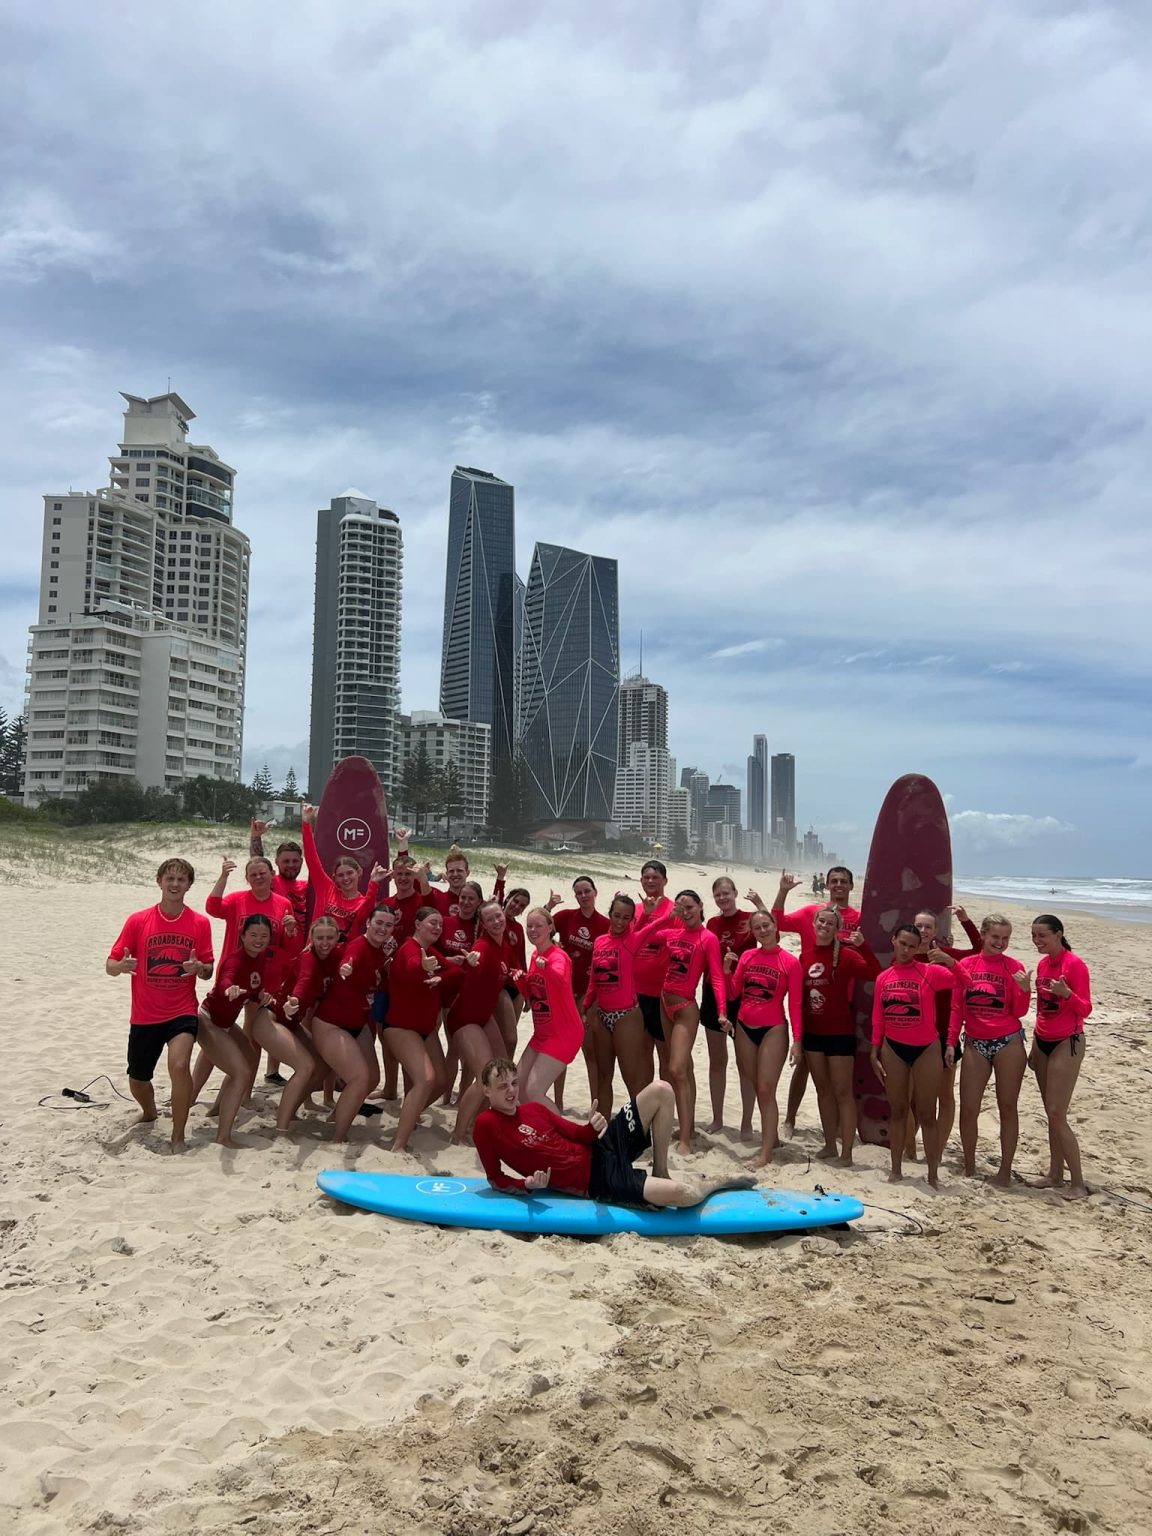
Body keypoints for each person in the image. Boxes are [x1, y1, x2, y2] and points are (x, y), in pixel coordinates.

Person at [474, 1059, 756, 1209]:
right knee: (687, 1195)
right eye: (502, 1087)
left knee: (662, 1090)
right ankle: (718, 1182)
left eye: (514, 1083)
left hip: (603, 1147)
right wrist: (528, 1186)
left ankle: (661, 1170)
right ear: (486, 1090)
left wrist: (593, 1126)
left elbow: (580, 1135)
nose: (511, 1091)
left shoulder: (535, 1109)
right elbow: (495, 1179)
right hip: (599, 1180)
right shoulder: (486, 1125)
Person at [106, 857, 215, 1151]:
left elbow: (208, 969)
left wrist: (199, 969)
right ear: (159, 882)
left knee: (179, 1066)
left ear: (189, 885)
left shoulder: (199, 923)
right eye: (170, 879)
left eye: (181, 880)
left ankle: (178, 1135)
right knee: (138, 1080)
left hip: (181, 1010)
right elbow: (110, 964)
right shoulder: (138, 920)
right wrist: (121, 966)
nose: (175, 884)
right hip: (144, 1014)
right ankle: (150, 1111)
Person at [774, 866, 861, 1135]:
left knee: (841, 1072)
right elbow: (779, 921)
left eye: (843, 881)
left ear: (851, 886)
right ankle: (789, 1119)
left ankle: (836, 1127)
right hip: (810, 998)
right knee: (804, 1066)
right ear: (826, 884)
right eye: (833, 881)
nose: (838, 885)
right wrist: (783, 892)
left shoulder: (860, 918)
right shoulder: (813, 914)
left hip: (847, 1003)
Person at [946, 915, 1032, 1187]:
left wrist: (1024, 990)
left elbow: (1019, 1011)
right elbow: (956, 1008)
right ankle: (969, 1165)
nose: (1001, 943)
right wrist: (951, 1042)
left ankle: (1004, 1172)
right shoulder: (966, 965)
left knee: (1007, 1107)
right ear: (983, 935)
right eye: (995, 937)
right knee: (969, 1108)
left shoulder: (1014, 967)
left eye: (1005, 938)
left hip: (1008, 1042)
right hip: (974, 1042)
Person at [642, 890, 728, 1153]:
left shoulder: (708, 938)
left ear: (700, 906)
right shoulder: (672, 934)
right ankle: (685, 1127)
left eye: (690, 906)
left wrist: (722, 1011)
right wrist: (658, 915)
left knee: (677, 1069)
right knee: (680, 1070)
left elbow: (715, 977)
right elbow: (644, 936)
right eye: (681, 908)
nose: (686, 911)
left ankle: (686, 1141)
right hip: (663, 1003)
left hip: (685, 1008)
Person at [870, 925, 957, 1187]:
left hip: (927, 1049)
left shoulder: (930, 973)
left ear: (919, 947)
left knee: (927, 1113)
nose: (906, 950)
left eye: (912, 945)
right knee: (898, 1112)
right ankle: (895, 1170)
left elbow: (965, 981)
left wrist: (951, 962)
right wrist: (874, 1050)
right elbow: (878, 1018)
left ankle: (932, 1174)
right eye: (902, 943)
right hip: (893, 1048)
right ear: (893, 941)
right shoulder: (883, 977)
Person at [202, 855, 296, 1091]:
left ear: (272, 874)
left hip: (262, 978)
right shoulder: (236, 899)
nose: (258, 878)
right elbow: (212, 908)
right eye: (253, 874)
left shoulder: (283, 903)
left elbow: (286, 944)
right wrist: (223, 876)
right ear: (246, 878)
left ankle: (244, 1092)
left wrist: (292, 930)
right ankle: (195, 1090)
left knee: (252, 1037)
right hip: (232, 975)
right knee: (217, 1035)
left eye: (262, 873)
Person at [800, 906, 880, 1166]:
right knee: (823, 1090)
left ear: (836, 929)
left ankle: (846, 1153)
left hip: (839, 1035)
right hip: (813, 1034)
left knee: (843, 1093)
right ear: (813, 922)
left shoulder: (846, 956)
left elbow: (874, 974)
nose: (824, 925)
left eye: (830, 924)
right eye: (820, 921)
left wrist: (864, 946)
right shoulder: (804, 956)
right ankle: (829, 1145)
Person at [309, 906, 396, 1142]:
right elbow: (350, 960)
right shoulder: (358, 946)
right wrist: (346, 967)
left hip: (357, 1024)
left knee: (372, 1078)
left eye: (389, 925)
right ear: (368, 923)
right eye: (379, 923)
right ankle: (338, 1137)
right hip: (331, 1024)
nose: (383, 928)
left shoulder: (381, 953)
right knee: (358, 1078)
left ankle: (337, 1116)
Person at [906, 905, 982, 1157]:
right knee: (915, 1098)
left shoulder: (944, 955)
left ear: (936, 931)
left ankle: (936, 1151)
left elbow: (979, 950)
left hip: (943, 1035)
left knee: (945, 1096)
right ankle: (910, 1151)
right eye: (919, 926)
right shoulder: (904, 956)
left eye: (928, 927)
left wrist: (965, 920)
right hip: (913, 1035)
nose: (924, 931)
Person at [195, 914, 276, 1148]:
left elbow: (254, 987)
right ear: (242, 936)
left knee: (250, 1056)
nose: (258, 940)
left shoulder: (259, 958)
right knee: (240, 1071)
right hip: (209, 1020)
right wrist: (228, 988)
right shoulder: (235, 960)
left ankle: (219, 1106)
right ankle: (223, 1137)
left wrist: (261, 996)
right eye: (253, 935)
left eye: (264, 936)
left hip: (227, 1024)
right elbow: (225, 980)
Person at [730, 911, 803, 1168]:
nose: (762, 931)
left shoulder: (790, 963)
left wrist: (797, 1040)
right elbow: (733, 992)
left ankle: (765, 1153)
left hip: (774, 1029)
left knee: (765, 1089)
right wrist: (728, 968)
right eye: (757, 927)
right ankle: (772, 1139)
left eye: (766, 925)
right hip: (744, 1026)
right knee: (754, 1083)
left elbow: (795, 1005)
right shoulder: (748, 956)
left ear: (775, 927)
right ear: (752, 931)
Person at [1028, 914, 1092, 1201]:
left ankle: (1077, 1182)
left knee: (1057, 1113)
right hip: (1042, 1041)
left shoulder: (1074, 965)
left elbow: (1086, 1009)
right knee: (1050, 1113)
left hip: (1068, 1041)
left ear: (1058, 934)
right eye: (1034, 936)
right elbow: (1041, 1008)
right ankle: (1055, 1173)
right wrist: (1033, 1046)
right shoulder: (1043, 965)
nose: (1037, 941)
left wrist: (1067, 994)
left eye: (1042, 935)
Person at [382, 906, 449, 1153]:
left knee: (441, 1081)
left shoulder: (431, 951)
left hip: (425, 1028)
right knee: (426, 1079)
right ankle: (398, 1144)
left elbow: (456, 972)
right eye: (432, 922)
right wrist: (423, 967)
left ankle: (409, 1114)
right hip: (400, 1027)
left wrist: (443, 974)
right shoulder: (410, 949)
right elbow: (410, 966)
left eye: (440, 924)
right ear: (418, 924)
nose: (437, 927)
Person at [446, 901, 512, 1143]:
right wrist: (470, 964)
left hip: (483, 1017)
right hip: (464, 1018)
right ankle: (458, 1134)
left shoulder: (504, 945)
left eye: (499, 916)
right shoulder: (482, 947)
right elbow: (472, 966)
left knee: (504, 1071)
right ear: (483, 924)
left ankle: (480, 1125)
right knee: (486, 1077)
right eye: (490, 919)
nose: (496, 921)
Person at [249, 821, 309, 1084]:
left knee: (287, 1015)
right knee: (263, 1017)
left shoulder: (307, 887)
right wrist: (256, 837)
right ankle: (255, 1071)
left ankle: (273, 1071)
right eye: (286, 861)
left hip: (298, 961)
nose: (291, 866)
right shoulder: (272, 882)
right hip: (271, 961)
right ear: (277, 862)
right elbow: (256, 863)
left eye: (296, 861)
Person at [704, 877, 762, 1139]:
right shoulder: (712, 923)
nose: (722, 898)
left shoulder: (749, 918)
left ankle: (746, 1123)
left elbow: (774, 933)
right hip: (713, 992)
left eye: (726, 893)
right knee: (717, 1060)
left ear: (735, 892)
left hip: (742, 994)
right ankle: (717, 1119)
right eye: (718, 895)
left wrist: (761, 903)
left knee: (744, 1063)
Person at [547, 878, 612, 1111]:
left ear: (595, 892)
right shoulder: (565, 917)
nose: (583, 896)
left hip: (589, 994)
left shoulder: (605, 924)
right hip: (562, 990)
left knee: (589, 1050)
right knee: (560, 1049)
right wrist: (548, 907)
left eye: (587, 891)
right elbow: (538, 930)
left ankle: (595, 1104)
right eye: (579, 893)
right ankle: (558, 1102)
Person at [583, 893, 649, 1116]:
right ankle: (602, 1129)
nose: (620, 921)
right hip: (602, 1015)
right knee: (603, 1075)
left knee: (631, 1076)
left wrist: (651, 912)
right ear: (610, 914)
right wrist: (584, 1008)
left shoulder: (633, 940)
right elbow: (594, 980)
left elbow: (657, 926)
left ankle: (639, 1130)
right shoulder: (600, 941)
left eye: (626, 918)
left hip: (627, 1016)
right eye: (617, 915)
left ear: (632, 920)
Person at [512, 908, 586, 1107]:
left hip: (564, 1033)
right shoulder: (536, 955)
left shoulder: (557, 956)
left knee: (534, 1091)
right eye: (530, 925)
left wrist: (547, 967)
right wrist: (521, 981)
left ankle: (565, 1135)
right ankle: (541, 1132)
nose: (533, 929)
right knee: (518, 1088)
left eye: (539, 925)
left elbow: (560, 977)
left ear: (550, 928)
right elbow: (535, 996)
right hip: (542, 1033)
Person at [300, 802, 385, 938]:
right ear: (334, 878)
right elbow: (311, 858)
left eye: (350, 873)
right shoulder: (326, 888)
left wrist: (374, 883)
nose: (346, 878)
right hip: (315, 951)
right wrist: (306, 823)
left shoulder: (362, 903)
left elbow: (367, 909)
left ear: (359, 872)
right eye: (340, 875)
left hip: (342, 956)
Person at [631, 859, 679, 1084]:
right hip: (636, 992)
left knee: (665, 1054)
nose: (650, 881)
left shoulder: (674, 910)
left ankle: (665, 1108)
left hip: (662, 993)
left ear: (665, 881)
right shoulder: (635, 910)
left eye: (655, 877)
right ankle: (644, 1109)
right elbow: (627, 943)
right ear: (641, 881)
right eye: (646, 877)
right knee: (641, 1053)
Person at [494, 886, 531, 1058]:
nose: (517, 907)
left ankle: (503, 1077)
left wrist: (527, 992)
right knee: (509, 1039)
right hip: (500, 985)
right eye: (515, 901)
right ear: (507, 898)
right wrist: (500, 880)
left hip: (517, 987)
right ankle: (502, 1074)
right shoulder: (495, 920)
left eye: (522, 906)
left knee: (507, 1038)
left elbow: (521, 960)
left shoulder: (518, 928)